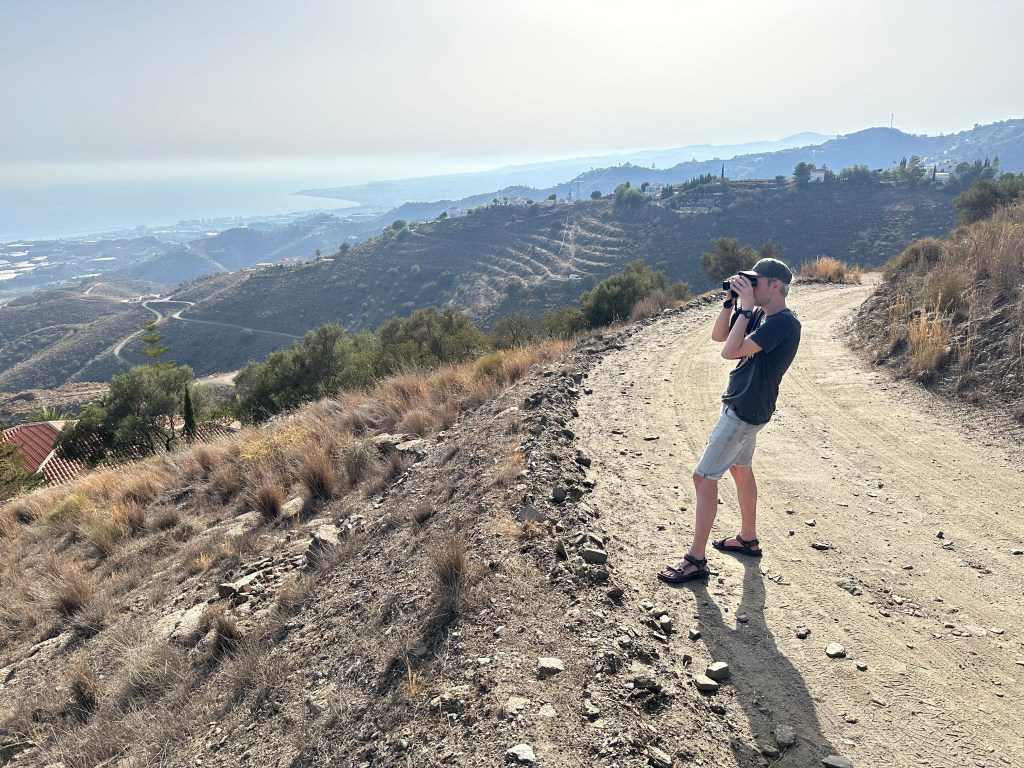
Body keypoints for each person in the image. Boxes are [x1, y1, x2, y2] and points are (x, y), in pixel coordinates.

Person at [657, 257, 802, 584]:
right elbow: (720, 336)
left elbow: (729, 353)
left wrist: (747, 309)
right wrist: (731, 304)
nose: (751, 287)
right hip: (747, 406)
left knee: (704, 478)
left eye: (756, 282)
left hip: (744, 411)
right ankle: (748, 539)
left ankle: (695, 560)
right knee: (739, 468)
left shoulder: (783, 323)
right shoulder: (764, 315)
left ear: (775, 285)